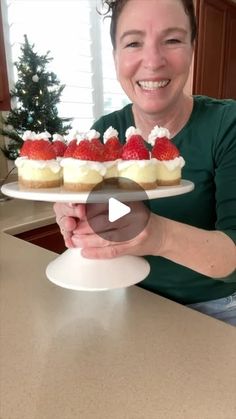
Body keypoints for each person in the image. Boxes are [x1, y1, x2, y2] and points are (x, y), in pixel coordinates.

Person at [54, 0, 236, 325]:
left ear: (192, 48)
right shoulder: (104, 136)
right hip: (127, 297)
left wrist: (158, 235)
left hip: (217, 312)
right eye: (134, 42)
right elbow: (104, 221)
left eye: (172, 40)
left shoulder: (227, 126)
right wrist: (75, 215)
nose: (152, 61)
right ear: (115, 56)